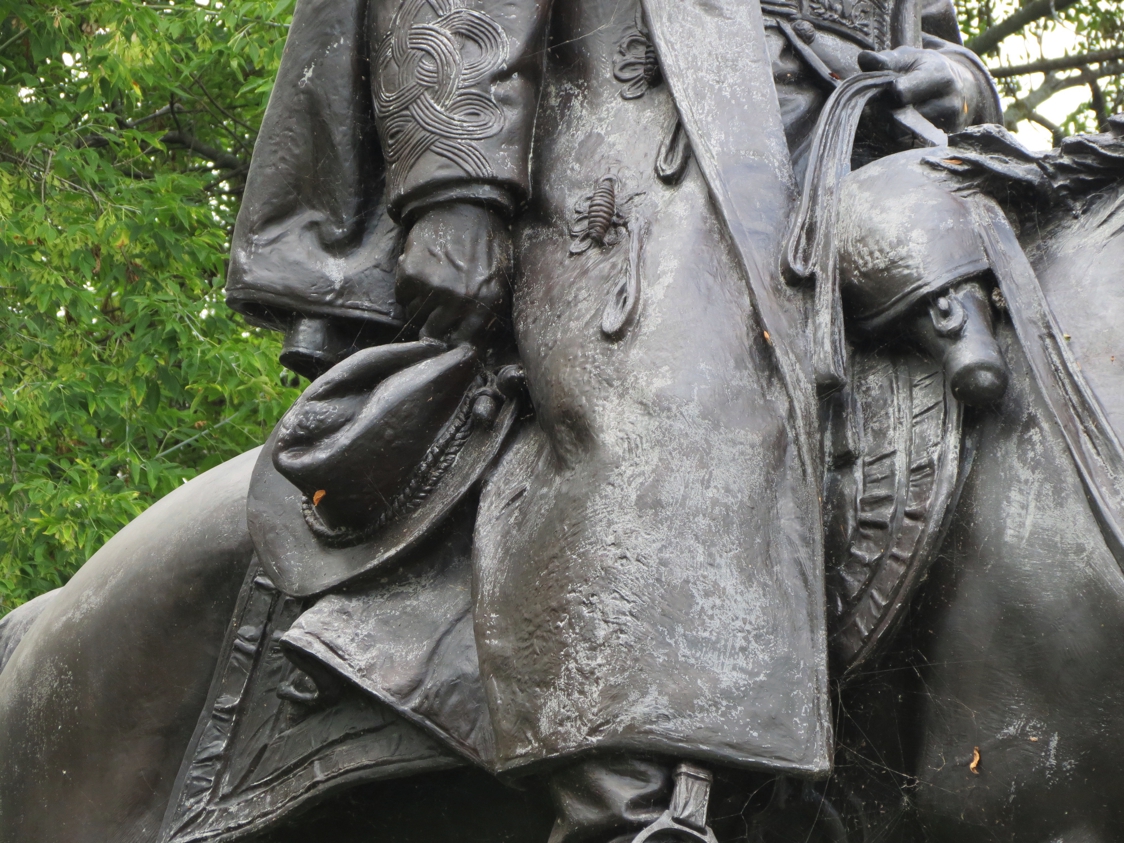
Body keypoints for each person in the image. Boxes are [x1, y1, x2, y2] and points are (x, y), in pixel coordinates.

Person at [0, 0, 1000, 840]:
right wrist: (458, 181)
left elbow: (926, 21)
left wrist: (954, 76)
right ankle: (636, 795)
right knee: (671, 362)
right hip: (640, 92)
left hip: (869, 131)